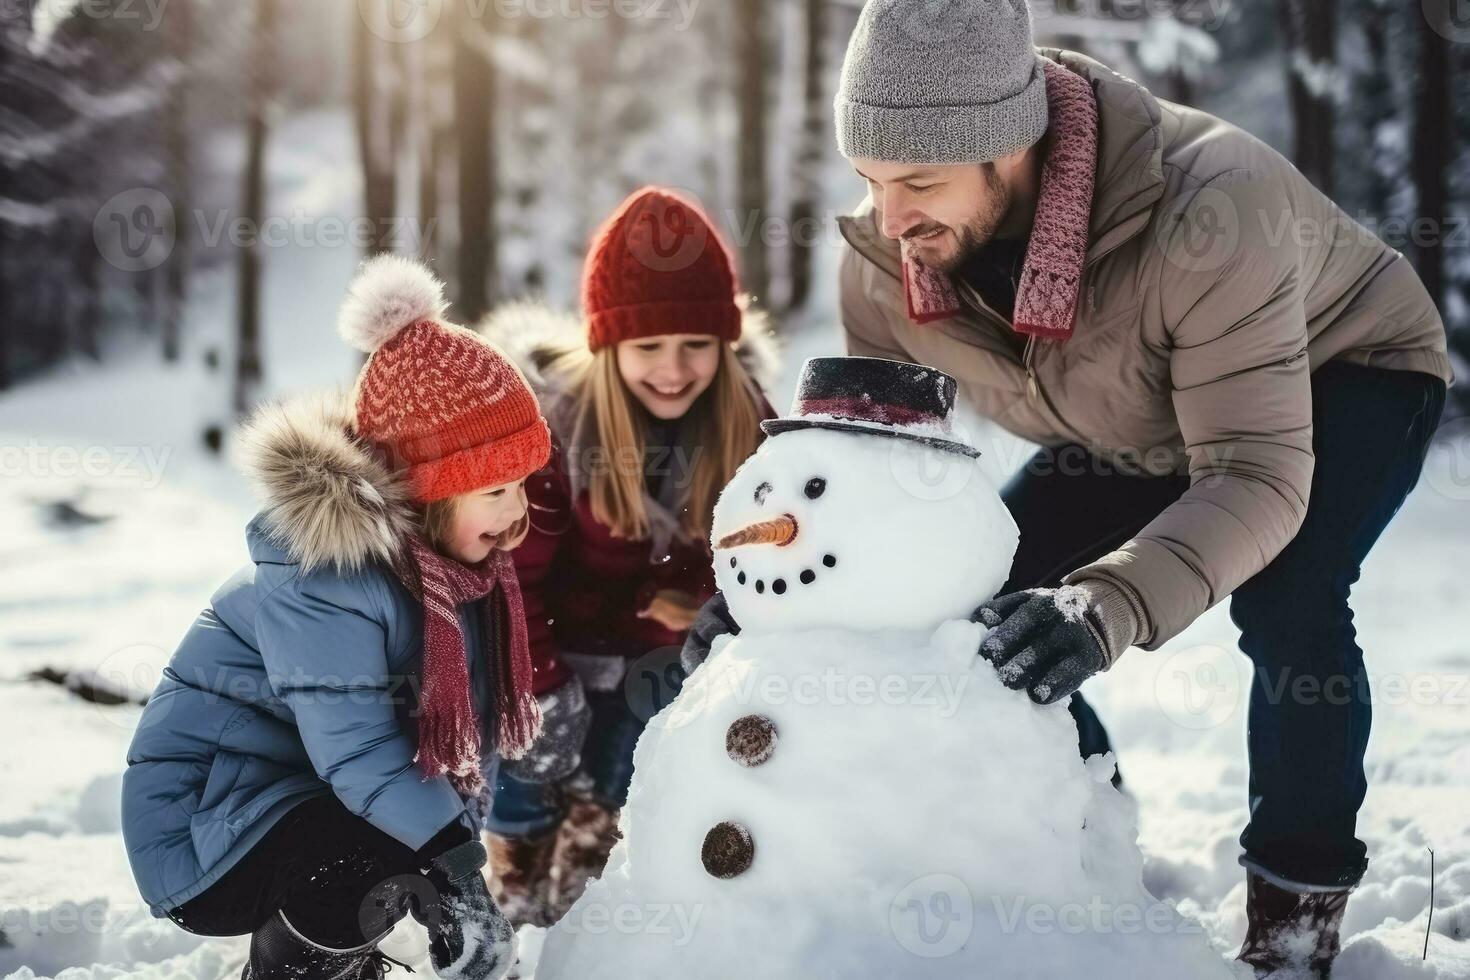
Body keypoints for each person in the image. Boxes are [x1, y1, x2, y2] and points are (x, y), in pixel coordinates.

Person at [683, 3, 1452, 977]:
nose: (889, 218)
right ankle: (1094, 837)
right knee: (976, 606)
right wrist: (773, 591)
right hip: (1137, 420)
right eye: (872, 181)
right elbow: (867, 479)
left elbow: (1255, 473)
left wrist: (1106, 607)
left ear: (1013, 149)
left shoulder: (1211, 211)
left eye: (920, 181)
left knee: (1289, 596)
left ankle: (1296, 912)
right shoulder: (889, 263)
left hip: (1344, 371)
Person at [121, 255, 553, 980]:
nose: (517, 512)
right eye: (494, 489)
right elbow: (357, 752)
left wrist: (461, 871)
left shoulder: (458, 574)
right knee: (372, 850)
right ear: (424, 494)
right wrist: (453, 865)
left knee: (384, 844)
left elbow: (463, 739)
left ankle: (339, 951)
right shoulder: (328, 578)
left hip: (295, 799)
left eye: (523, 483)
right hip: (202, 823)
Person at [476, 187, 777, 927]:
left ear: (724, 344)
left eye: (696, 346)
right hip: (553, 655)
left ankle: (587, 904)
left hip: (660, 663)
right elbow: (513, 580)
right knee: (524, 775)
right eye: (647, 347)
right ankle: (507, 893)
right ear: (607, 346)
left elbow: (764, 552)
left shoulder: (750, 422)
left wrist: (703, 602)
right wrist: (540, 692)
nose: (673, 369)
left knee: (622, 777)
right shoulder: (555, 430)